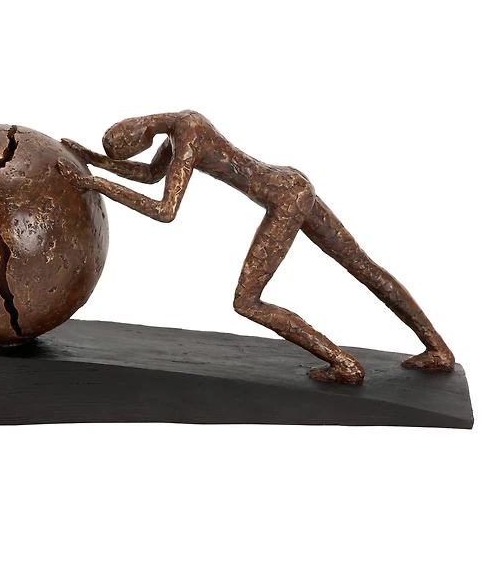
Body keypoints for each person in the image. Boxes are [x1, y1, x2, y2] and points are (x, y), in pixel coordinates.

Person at [58, 110, 454, 384]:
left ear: (141, 135)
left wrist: (95, 184)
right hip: (291, 186)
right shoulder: (179, 125)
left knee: (247, 302)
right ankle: (438, 350)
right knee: (361, 266)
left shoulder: (187, 134)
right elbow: (148, 174)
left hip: (285, 200)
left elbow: (165, 210)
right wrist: (92, 160)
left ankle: (345, 365)